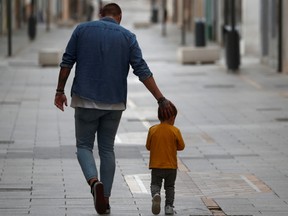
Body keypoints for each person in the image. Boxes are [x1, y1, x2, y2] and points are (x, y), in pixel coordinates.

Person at [54, 3, 175, 215]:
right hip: (114, 102)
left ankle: (94, 184)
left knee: (83, 146)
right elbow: (142, 70)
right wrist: (160, 98)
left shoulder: (81, 30)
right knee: (107, 149)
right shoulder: (127, 37)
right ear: (119, 17)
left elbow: (67, 62)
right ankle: (106, 200)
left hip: (85, 99)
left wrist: (59, 91)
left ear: (100, 15)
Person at [146, 104, 185, 215]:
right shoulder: (175, 131)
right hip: (171, 166)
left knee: (155, 184)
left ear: (159, 116)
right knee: (170, 187)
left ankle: (156, 195)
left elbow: (148, 146)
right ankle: (169, 207)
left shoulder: (152, 129)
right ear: (172, 117)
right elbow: (181, 146)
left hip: (156, 165)